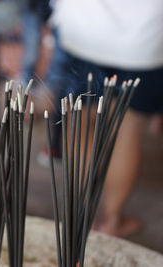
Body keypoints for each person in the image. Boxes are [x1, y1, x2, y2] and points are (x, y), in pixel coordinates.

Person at [48, 0, 163, 237]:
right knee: (128, 129)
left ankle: (78, 217)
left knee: (79, 122)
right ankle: (111, 222)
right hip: (143, 37)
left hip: (83, 28)